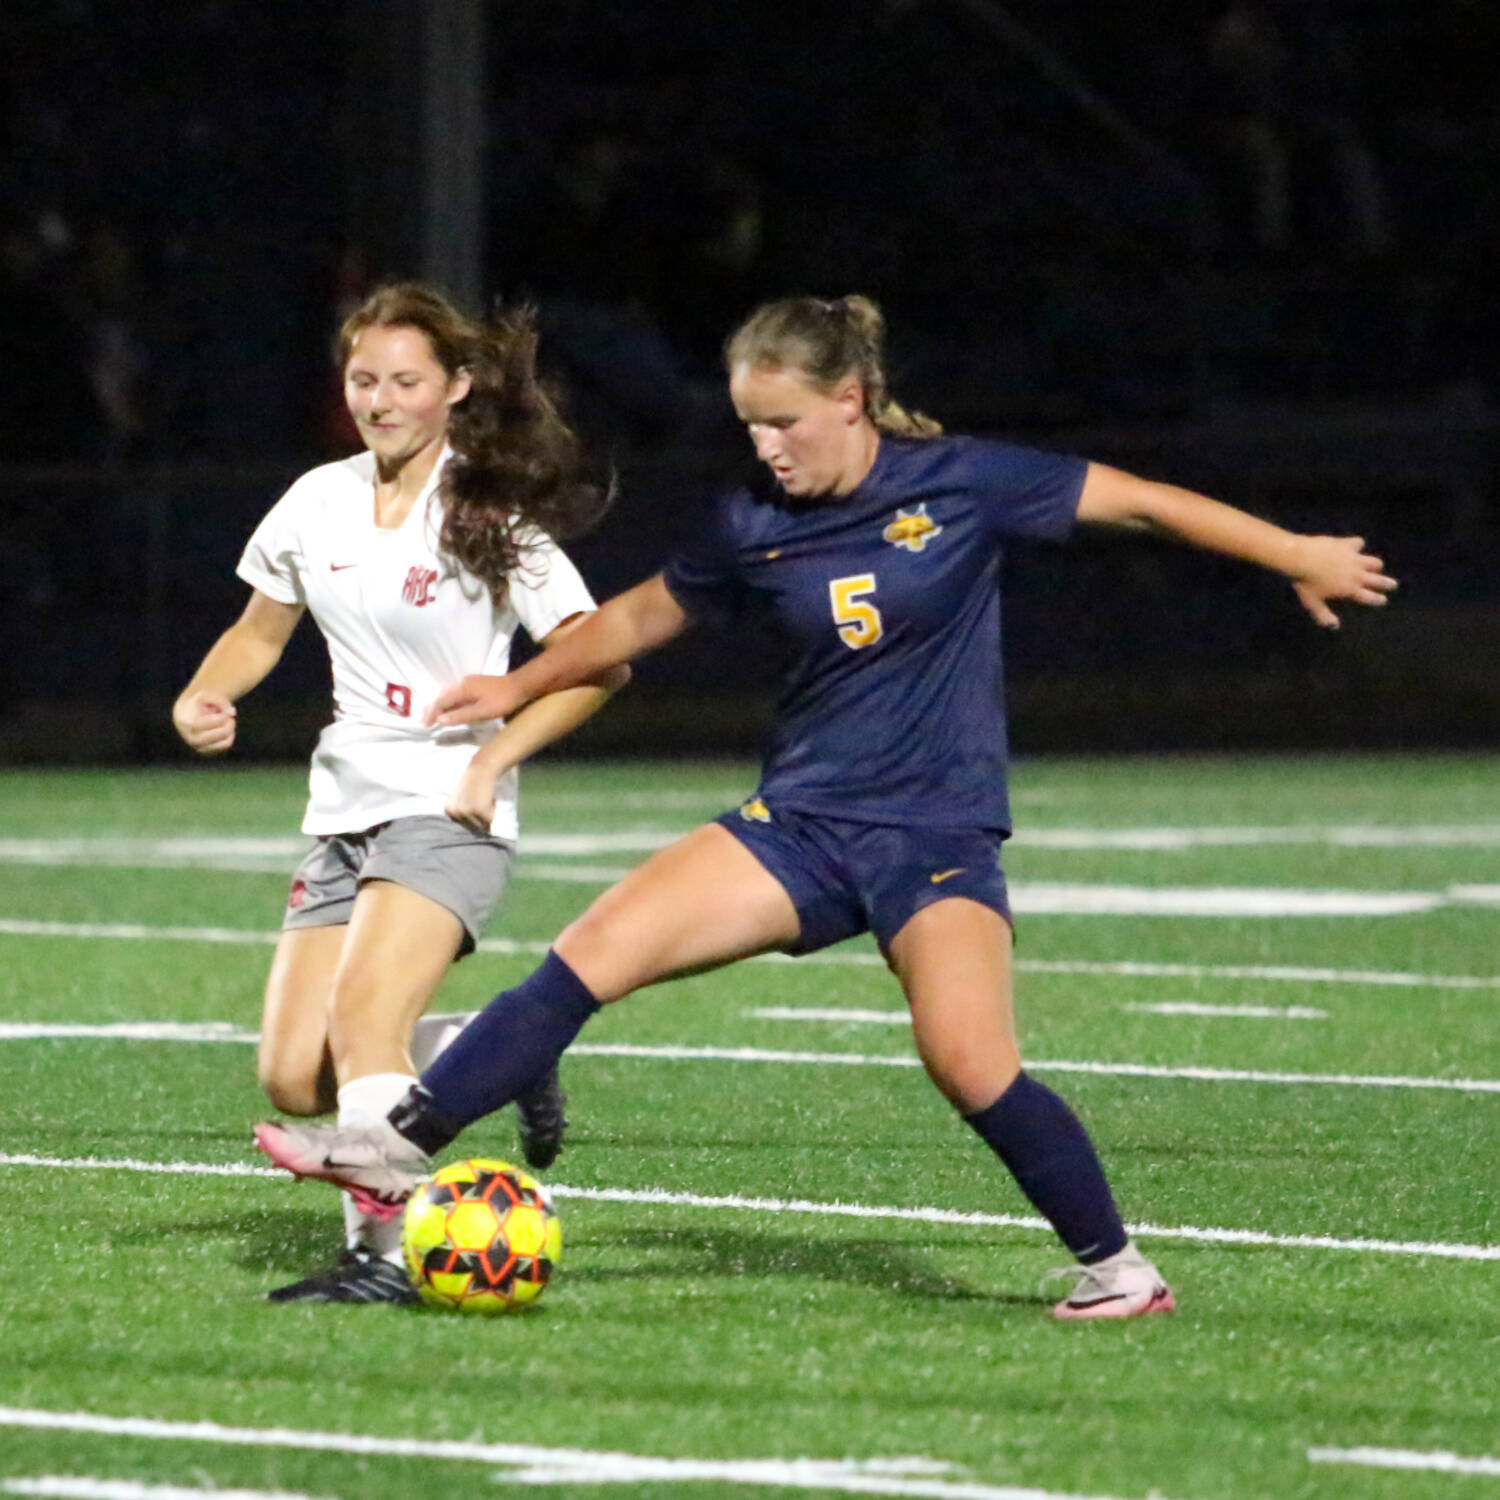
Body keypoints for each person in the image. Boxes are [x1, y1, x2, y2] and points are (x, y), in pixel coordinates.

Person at [254, 294, 1396, 1319]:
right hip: (796, 828)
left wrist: (1294, 550)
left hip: (933, 840)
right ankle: (390, 1145)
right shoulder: (753, 519)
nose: (767, 447)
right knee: (591, 950)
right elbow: (638, 620)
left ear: (850, 401)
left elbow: (1141, 501)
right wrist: (516, 684)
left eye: (785, 422)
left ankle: (1118, 1268)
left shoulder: (962, 481)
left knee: (969, 1062)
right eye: (750, 425)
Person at [175, 282, 626, 1303]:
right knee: (296, 1075)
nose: (380, 400)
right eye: (363, 379)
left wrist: (490, 759)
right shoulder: (316, 497)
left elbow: (600, 661)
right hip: (344, 807)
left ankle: (379, 1261)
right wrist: (205, 694)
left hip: (445, 809)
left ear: (457, 388)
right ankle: (484, 1052)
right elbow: (258, 631)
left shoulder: (482, 509)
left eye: (406, 382)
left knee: (364, 1030)